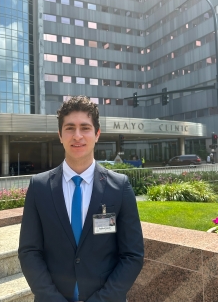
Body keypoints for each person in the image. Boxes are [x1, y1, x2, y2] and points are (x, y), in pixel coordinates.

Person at [18, 96, 144, 302]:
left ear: (97, 134)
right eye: (70, 128)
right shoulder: (39, 187)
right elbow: (29, 251)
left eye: (85, 128)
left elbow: (132, 255)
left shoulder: (120, 186)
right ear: (60, 135)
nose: (77, 136)